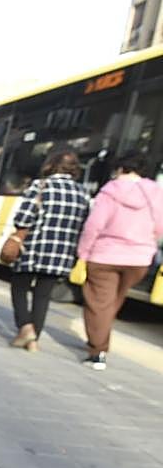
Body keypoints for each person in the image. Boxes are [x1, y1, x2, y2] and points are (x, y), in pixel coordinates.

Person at [76, 151, 163, 369]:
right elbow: (160, 226)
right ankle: (100, 337)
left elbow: (94, 224)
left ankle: (97, 353)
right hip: (139, 259)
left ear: (120, 168)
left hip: (105, 254)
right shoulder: (155, 193)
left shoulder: (110, 190)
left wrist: (83, 253)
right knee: (114, 301)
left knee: (99, 304)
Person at [8, 149, 90, 351]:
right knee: (43, 295)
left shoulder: (41, 186)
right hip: (61, 254)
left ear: (51, 165)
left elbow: (23, 218)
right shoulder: (82, 193)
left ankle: (25, 328)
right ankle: (34, 339)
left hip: (33, 249)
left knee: (19, 287)